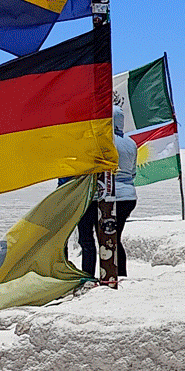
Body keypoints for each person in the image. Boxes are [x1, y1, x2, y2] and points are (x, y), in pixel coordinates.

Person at [76, 117, 139, 280]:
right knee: (114, 238)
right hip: (128, 196)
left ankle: (89, 275)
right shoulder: (131, 143)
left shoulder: (103, 141)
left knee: (91, 238)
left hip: (106, 196)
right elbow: (133, 172)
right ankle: (121, 275)